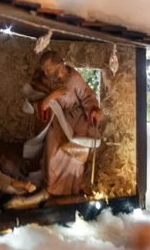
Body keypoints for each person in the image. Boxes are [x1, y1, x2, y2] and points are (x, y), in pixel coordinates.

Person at [22, 51, 104, 198]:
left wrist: (94, 110)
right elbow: (34, 101)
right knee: (53, 153)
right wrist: (48, 99)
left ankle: (74, 187)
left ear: (60, 65)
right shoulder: (42, 80)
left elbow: (87, 96)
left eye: (50, 69)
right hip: (55, 121)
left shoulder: (73, 77)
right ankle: (53, 190)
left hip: (76, 121)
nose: (46, 73)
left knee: (75, 157)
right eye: (45, 70)